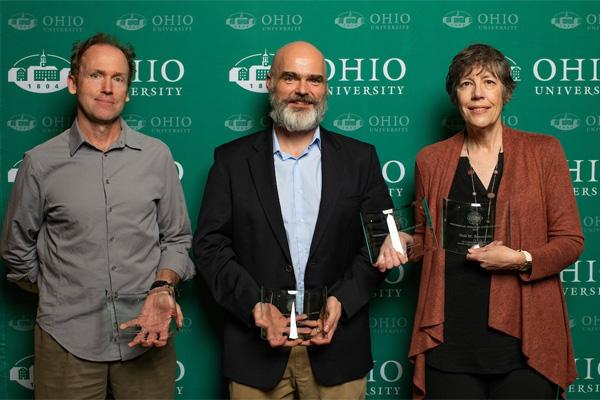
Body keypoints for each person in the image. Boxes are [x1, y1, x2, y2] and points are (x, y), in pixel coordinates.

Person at [193, 41, 401, 399]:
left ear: (325, 89)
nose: (303, 90)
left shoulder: (359, 159)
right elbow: (210, 248)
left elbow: (381, 242)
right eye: (291, 77)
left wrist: (343, 300)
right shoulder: (231, 161)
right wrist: (255, 307)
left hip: (338, 351)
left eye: (314, 80)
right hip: (255, 353)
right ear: (271, 82)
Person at [379, 43, 583, 398]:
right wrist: (399, 243)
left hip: (524, 338)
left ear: (506, 91)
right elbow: (429, 239)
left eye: (488, 82)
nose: (478, 95)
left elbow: (570, 241)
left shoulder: (544, 152)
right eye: (466, 84)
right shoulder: (431, 160)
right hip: (451, 337)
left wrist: (520, 259)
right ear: (455, 95)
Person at [1, 33, 194, 399]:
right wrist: (62, 292)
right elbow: (16, 249)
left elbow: (177, 238)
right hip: (65, 341)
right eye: (96, 76)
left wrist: (162, 285)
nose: (107, 87)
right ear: (73, 83)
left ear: (128, 90)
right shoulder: (39, 163)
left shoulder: (156, 156)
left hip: (146, 335)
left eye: (118, 78)